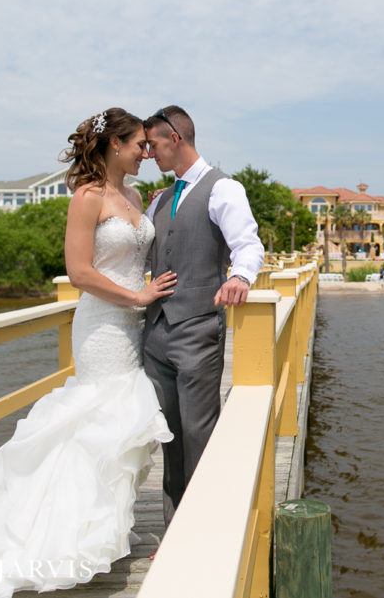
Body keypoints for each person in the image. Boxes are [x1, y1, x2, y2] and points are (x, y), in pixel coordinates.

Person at [0, 109, 176, 598]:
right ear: (114, 145)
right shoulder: (86, 198)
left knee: (120, 430)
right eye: (137, 146)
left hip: (135, 327)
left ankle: (98, 531)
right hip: (104, 326)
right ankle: (54, 534)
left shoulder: (135, 196)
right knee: (95, 425)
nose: (145, 153)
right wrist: (137, 297)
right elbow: (80, 272)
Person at [141, 105, 264, 525]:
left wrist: (241, 277)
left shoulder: (223, 189)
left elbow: (248, 244)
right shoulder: (159, 200)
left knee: (199, 432)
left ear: (174, 137)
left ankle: (207, 523)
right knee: (169, 436)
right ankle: (176, 525)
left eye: (152, 144)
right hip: (154, 334)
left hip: (197, 328)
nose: (147, 154)